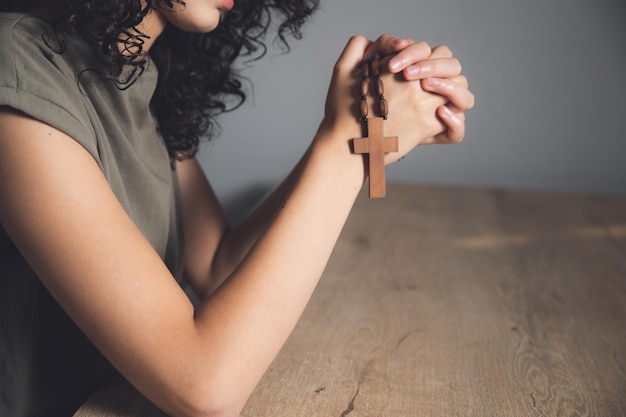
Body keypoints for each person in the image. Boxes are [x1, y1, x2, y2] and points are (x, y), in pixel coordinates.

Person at [0, 0, 474, 416]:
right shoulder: (16, 64)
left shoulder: (135, 72)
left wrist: (366, 136)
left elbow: (218, 265)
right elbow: (204, 386)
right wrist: (351, 145)